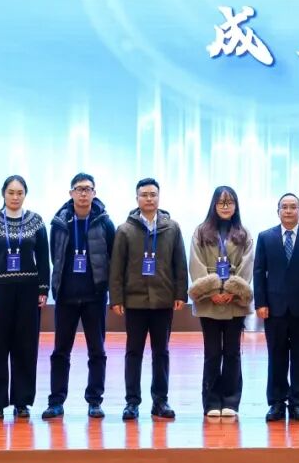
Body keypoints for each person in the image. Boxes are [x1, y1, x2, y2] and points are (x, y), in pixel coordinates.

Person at [108, 178, 188, 421]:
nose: (149, 198)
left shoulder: (172, 228)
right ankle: (132, 402)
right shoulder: (125, 230)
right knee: (133, 352)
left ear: (159, 197)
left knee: (161, 352)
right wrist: (116, 298)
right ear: (137, 199)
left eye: (153, 194)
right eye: (144, 195)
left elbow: (180, 263)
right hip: (135, 301)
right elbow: (116, 267)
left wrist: (180, 293)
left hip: (163, 301)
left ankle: (160, 401)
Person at [42, 173, 116, 420]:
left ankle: (95, 401)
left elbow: (112, 258)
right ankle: (56, 401)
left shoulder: (104, 223)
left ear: (95, 193)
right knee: (60, 351)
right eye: (79, 189)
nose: (83, 193)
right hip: (66, 297)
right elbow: (55, 256)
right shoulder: (59, 223)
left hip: (95, 296)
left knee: (97, 351)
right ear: (71, 193)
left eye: (88, 189)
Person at [0, 174, 50, 420]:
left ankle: (22, 401)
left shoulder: (36, 222)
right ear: (3, 194)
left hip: (28, 292)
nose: (15, 197)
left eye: (20, 193)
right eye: (11, 192)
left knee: (26, 347)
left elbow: (44, 259)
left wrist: (43, 289)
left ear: (25, 194)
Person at [253, 193, 299, 423]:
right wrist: (260, 302)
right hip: (273, 309)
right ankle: (276, 402)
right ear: (278, 211)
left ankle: (297, 404)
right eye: (284, 207)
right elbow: (259, 271)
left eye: (293, 207)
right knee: (276, 357)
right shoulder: (265, 237)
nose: (288, 211)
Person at [188, 185, 255, 419]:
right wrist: (211, 290)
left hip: (235, 303)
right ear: (214, 205)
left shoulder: (244, 233)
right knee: (212, 352)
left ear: (236, 206)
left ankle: (231, 401)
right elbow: (195, 263)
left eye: (230, 202)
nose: (225, 207)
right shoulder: (200, 232)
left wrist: (232, 290)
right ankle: (211, 402)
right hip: (209, 303)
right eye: (221, 202)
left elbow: (248, 265)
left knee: (233, 352)